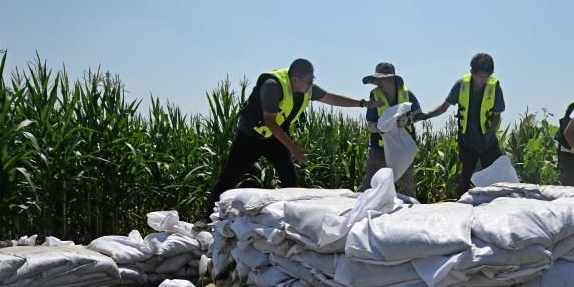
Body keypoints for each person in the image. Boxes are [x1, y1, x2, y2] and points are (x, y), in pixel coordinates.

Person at [203, 58, 377, 219]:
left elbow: (331, 98)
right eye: (308, 82)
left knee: (290, 179)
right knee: (229, 176)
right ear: (295, 79)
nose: (311, 85)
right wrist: (293, 148)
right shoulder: (273, 86)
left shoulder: (307, 89)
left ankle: (294, 218)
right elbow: (270, 122)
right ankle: (206, 218)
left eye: (312, 80)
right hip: (250, 136)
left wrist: (362, 104)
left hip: (275, 138)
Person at [415, 53, 504, 197]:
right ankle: (463, 206)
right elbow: (444, 107)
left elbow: (497, 116)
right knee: (465, 179)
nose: (483, 80)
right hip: (467, 141)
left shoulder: (494, 87)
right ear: (472, 72)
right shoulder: (461, 85)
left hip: (488, 142)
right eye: (480, 76)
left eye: (486, 76)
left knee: (496, 177)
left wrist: (488, 135)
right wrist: (427, 115)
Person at [359, 62, 423, 197]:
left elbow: (419, 114)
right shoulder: (374, 95)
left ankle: (411, 215)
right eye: (377, 79)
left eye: (381, 79)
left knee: (408, 186)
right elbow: (370, 124)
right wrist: (377, 127)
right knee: (369, 185)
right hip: (379, 148)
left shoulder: (407, 94)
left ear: (392, 79)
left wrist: (408, 120)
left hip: (403, 149)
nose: (378, 82)